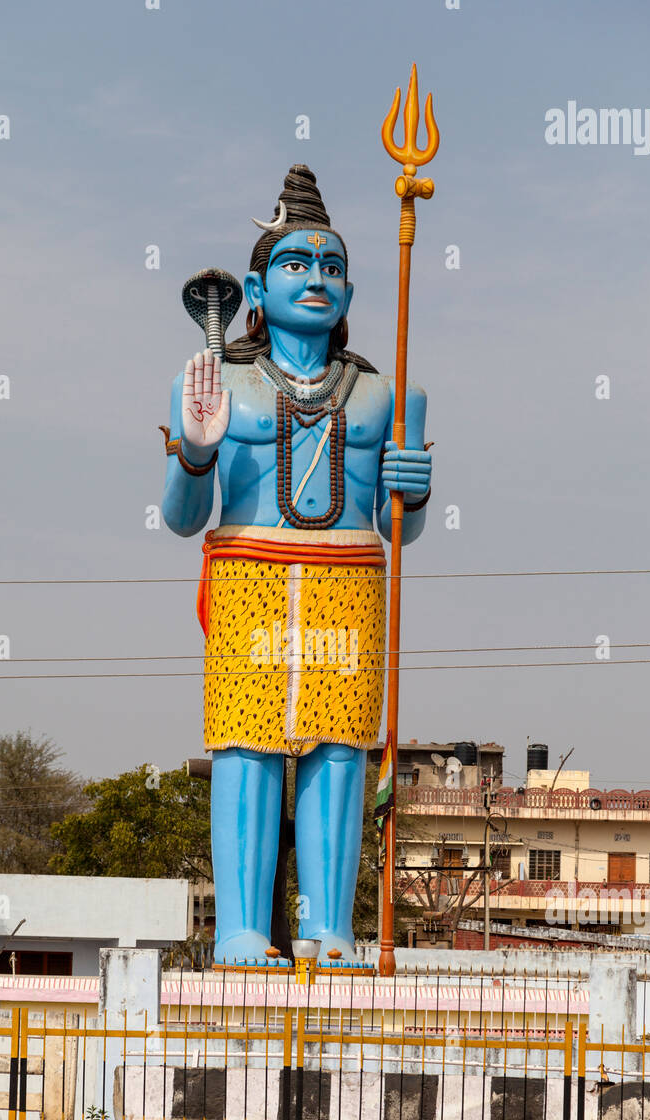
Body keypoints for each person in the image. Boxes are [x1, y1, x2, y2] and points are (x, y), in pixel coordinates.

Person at [163, 165, 431, 964]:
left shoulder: (390, 396)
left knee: (337, 752)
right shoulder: (218, 382)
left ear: (349, 293)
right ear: (255, 284)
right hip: (248, 574)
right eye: (297, 264)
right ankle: (243, 927)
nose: (317, 279)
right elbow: (182, 520)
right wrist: (197, 454)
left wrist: (411, 492)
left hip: (348, 579)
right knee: (245, 748)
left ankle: (326, 927)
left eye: (332, 268)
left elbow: (403, 534)